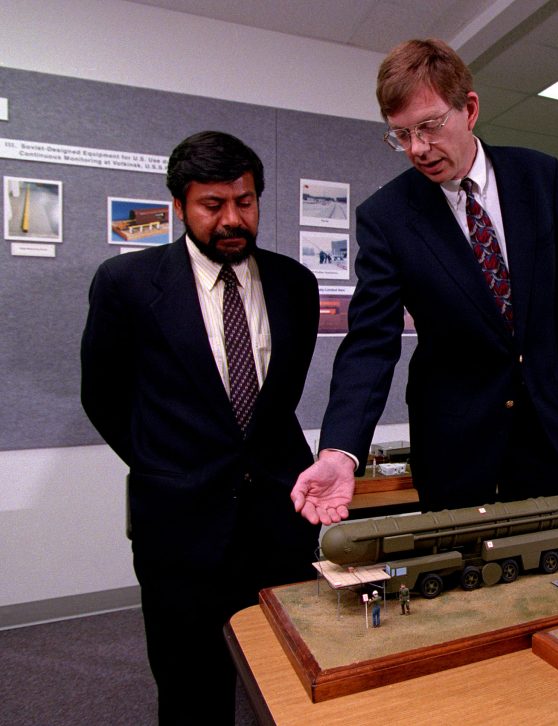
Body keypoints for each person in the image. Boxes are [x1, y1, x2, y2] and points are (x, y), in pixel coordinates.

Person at [291, 38, 558, 519]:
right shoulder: (388, 216)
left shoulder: (538, 176)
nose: (417, 148)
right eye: (401, 134)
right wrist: (339, 451)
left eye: (430, 127)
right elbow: (371, 342)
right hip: (453, 440)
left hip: (544, 426)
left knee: (544, 564)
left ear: (470, 109)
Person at [80, 131, 321, 724]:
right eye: (213, 205)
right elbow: (103, 396)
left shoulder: (296, 286)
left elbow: (278, 402)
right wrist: (165, 465)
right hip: (179, 526)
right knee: (191, 683)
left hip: (276, 522)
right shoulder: (127, 284)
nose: (232, 219)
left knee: (289, 676)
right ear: (180, 207)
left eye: (245, 201)